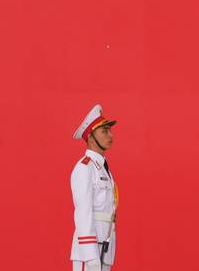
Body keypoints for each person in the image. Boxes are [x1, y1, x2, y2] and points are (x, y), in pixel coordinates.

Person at [71, 104, 118, 271]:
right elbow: (83, 211)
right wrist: (90, 254)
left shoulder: (101, 167)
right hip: (91, 247)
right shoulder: (85, 168)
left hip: (104, 242)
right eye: (104, 131)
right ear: (91, 137)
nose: (110, 135)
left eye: (109, 130)